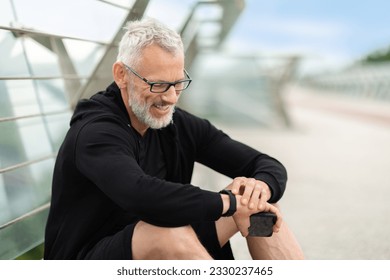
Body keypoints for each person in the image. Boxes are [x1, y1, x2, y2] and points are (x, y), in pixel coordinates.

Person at [44, 18, 304, 260]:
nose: (170, 97)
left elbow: (265, 164)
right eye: (158, 85)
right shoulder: (95, 132)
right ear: (122, 75)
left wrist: (259, 191)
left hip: (162, 246)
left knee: (257, 205)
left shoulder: (176, 123)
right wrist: (230, 203)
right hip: (90, 259)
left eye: (178, 83)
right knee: (168, 233)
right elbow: (141, 195)